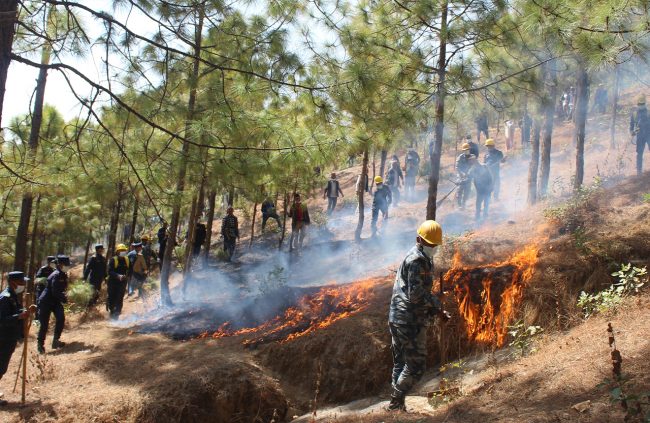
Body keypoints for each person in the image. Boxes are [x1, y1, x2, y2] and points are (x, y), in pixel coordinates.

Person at [387, 221, 450, 411]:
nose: (433, 248)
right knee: (416, 366)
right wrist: (437, 303)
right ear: (419, 240)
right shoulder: (416, 260)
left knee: (401, 362)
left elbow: (417, 292)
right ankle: (396, 400)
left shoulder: (423, 258)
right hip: (408, 320)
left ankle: (396, 407)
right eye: (430, 244)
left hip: (401, 317)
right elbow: (415, 295)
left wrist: (435, 310)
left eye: (434, 245)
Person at [0, 271, 36, 404]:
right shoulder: (5, 298)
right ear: (13, 282)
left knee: (2, 366)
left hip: (10, 337)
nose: (24, 285)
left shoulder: (13, 296)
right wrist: (19, 316)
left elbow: (15, 312)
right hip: (3, 337)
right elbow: (2, 319)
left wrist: (26, 311)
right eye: (22, 282)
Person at [37, 255, 70, 354]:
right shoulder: (56, 275)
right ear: (60, 265)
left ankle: (56, 341)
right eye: (66, 265)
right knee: (44, 324)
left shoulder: (63, 274)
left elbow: (61, 290)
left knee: (61, 318)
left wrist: (65, 296)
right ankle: (40, 345)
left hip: (55, 301)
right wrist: (64, 299)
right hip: (46, 302)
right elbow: (55, 291)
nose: (68, 266)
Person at [107, 244, 129, 320]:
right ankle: (112, 312)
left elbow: (130, 270)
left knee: (120, 298)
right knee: (112, 297)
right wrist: (118, 276)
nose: (123, 252)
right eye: (121, 251)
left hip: (122, 283)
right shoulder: (113, 260)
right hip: (113, 282)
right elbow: (109, 271)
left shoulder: (127, 260)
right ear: (117, 252)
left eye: (124, 251)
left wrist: (128, 277)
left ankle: (117, 315)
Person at [468, 155, 493, 221]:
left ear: (476, 159)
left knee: (486, 202)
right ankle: (477, 216)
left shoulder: (484, 166)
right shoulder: (472, 170)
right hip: (480, 190)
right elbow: (468, 179)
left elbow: (490, 177)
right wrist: (461, 182)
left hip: (487, 188)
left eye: (473, 159)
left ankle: (485, 216)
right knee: (478, 203)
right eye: (471, 160)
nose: (473, 161)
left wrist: (491, 186)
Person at [630, 95, 650, 176]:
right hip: (640, 136)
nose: (641, 105)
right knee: (639, 153)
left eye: (642, 104)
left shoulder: (649, 112)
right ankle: (639, 171)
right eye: (639, 104)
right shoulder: (634, 114)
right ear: (637, 104)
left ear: (645, 104)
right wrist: (632, 132)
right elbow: (631, 125)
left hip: (649, 135)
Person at [455, 143, 473, 209]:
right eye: (465, 150)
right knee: (459, 192)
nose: (466, 151)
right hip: (461, 178)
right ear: (463, 151)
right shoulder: (460, 157)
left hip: (469, 178)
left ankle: (463, 204)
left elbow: (475, 166)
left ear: (469, 149)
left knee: (467, 192)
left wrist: (469, 173)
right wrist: (461, 174)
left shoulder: (472, 157)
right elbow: (457, 167)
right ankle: (459, 205)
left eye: (467, 150)